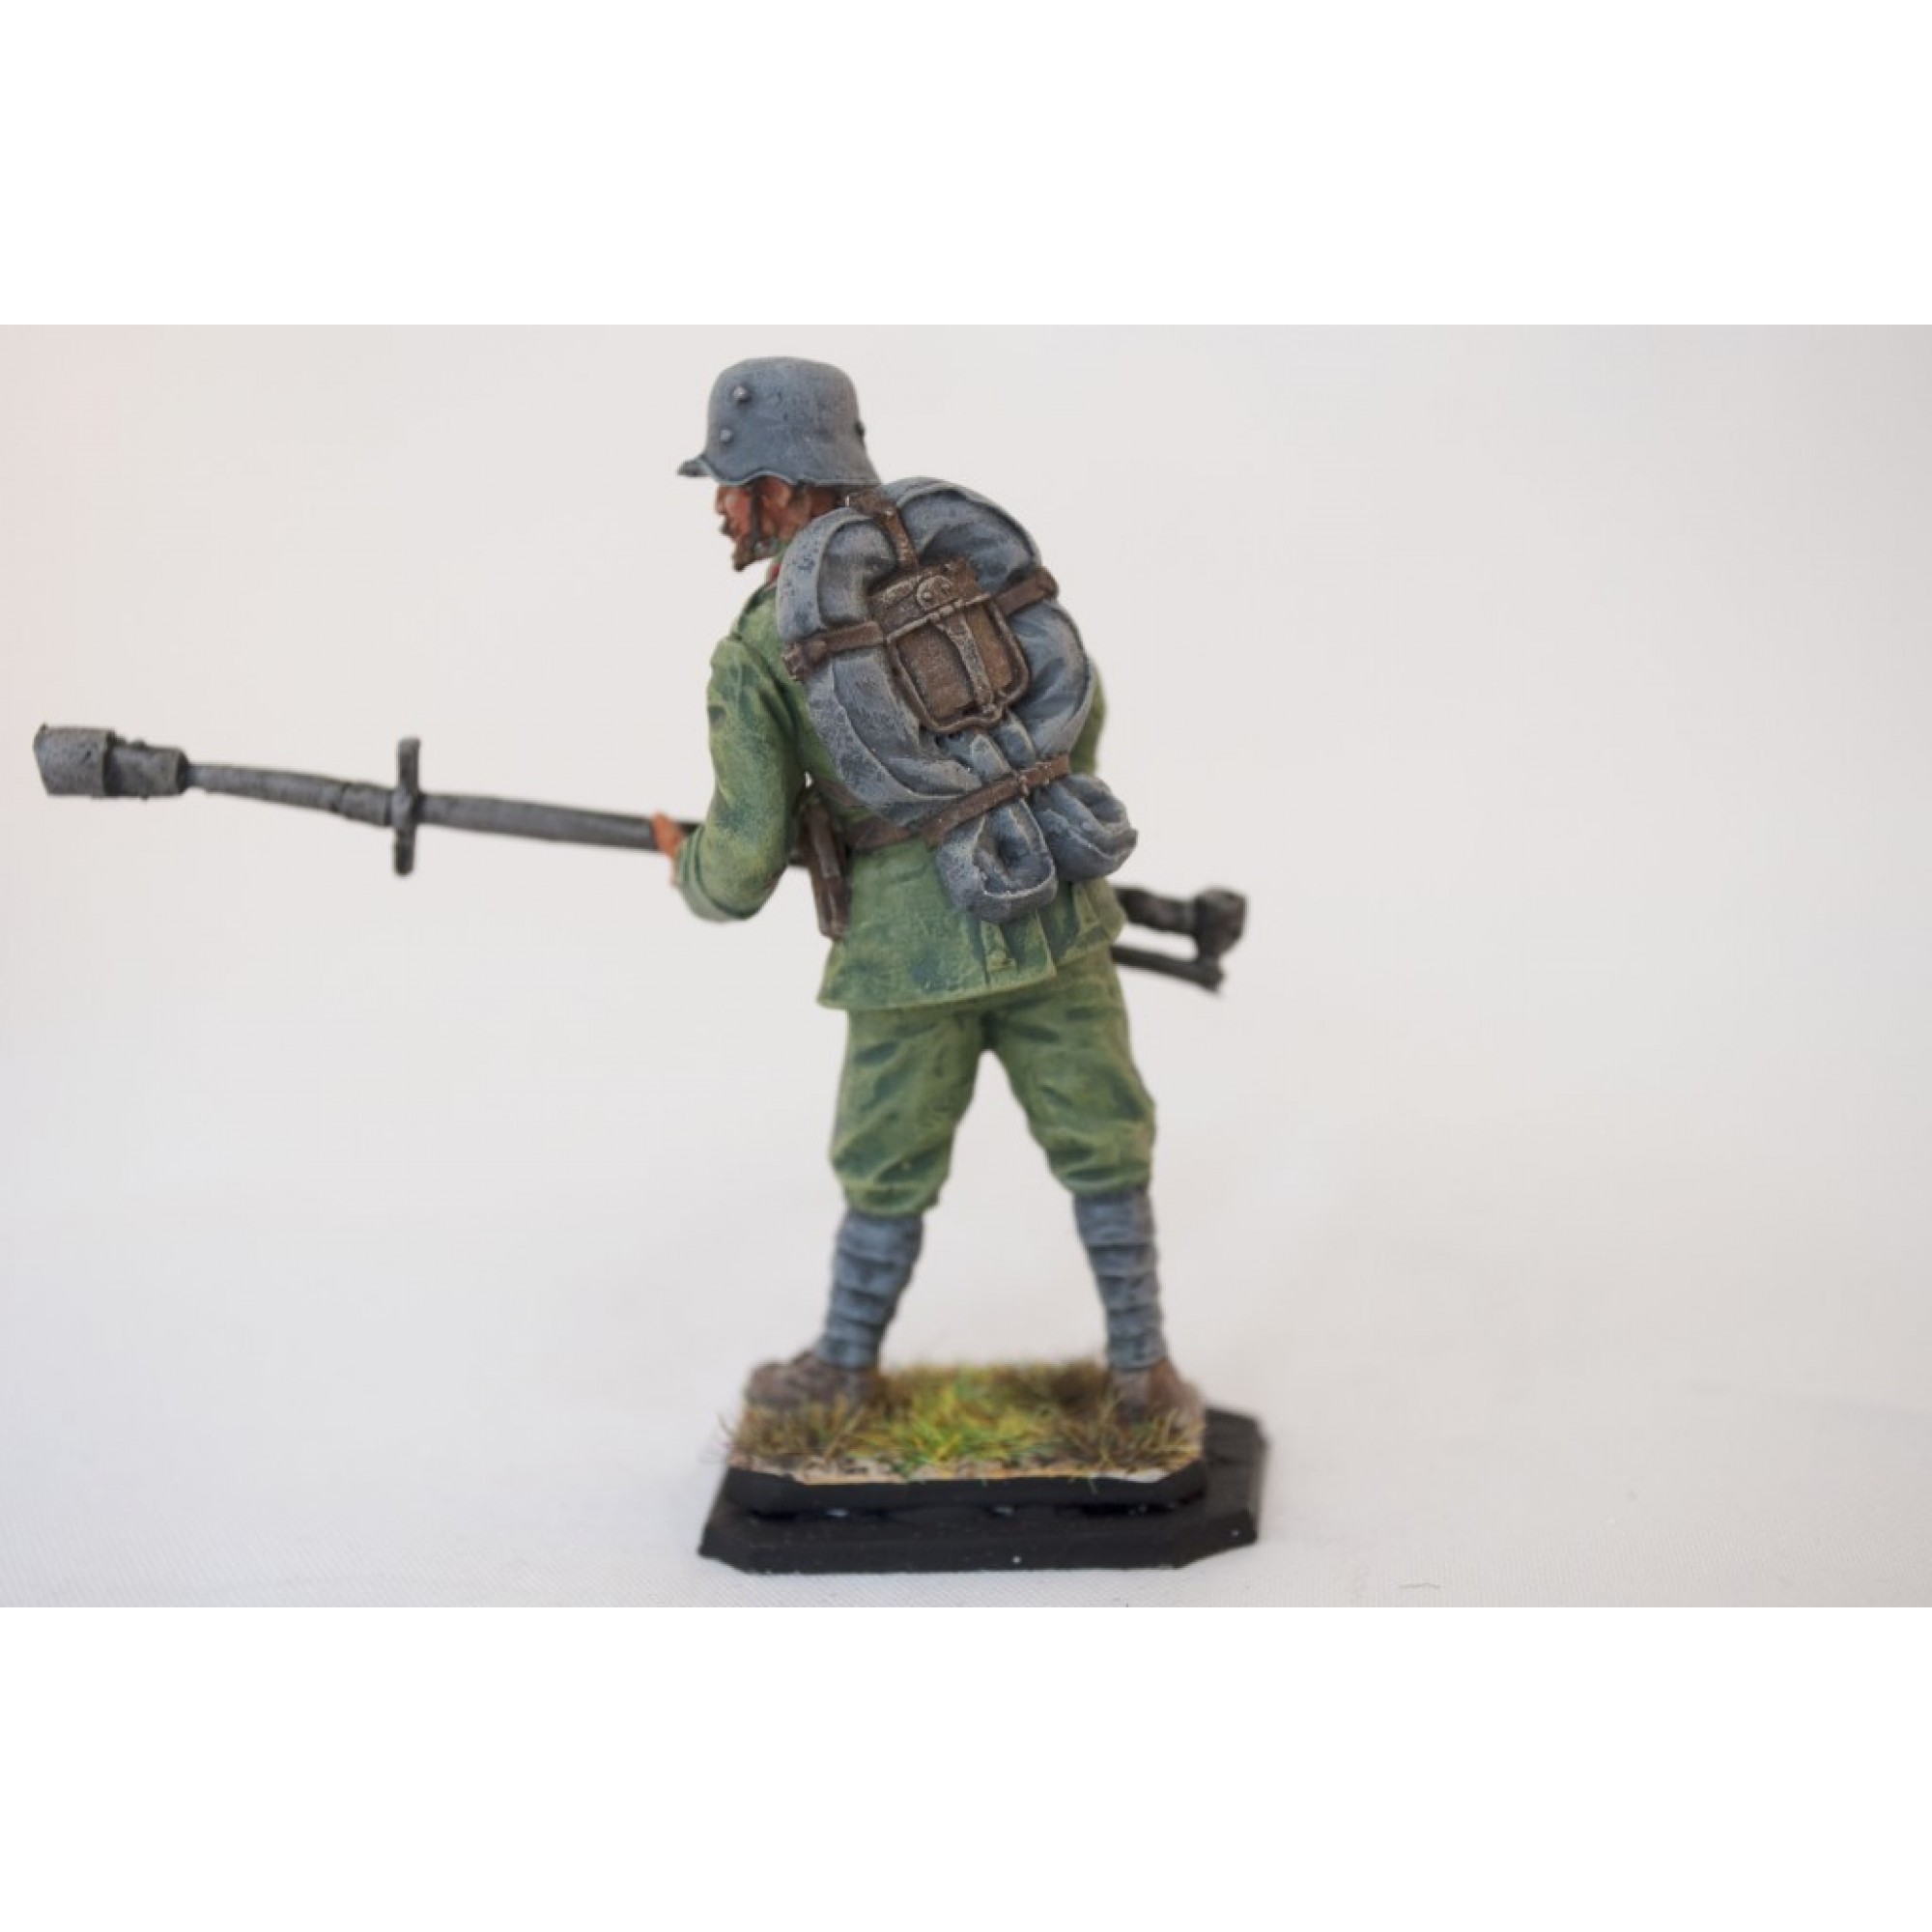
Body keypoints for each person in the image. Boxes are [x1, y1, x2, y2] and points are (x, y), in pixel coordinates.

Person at [656, 358, 1196, 1423]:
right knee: (1105, 1142)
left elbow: (746, 853)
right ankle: (1144, 1369)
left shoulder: (759, 648)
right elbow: (1072, 710)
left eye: (731, 485)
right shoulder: (966, 569)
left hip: (908, 963)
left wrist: (688, 869)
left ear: (780, 489)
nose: (720, 509)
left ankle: (844, 1365)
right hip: (1055, 913)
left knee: (882, 1163)